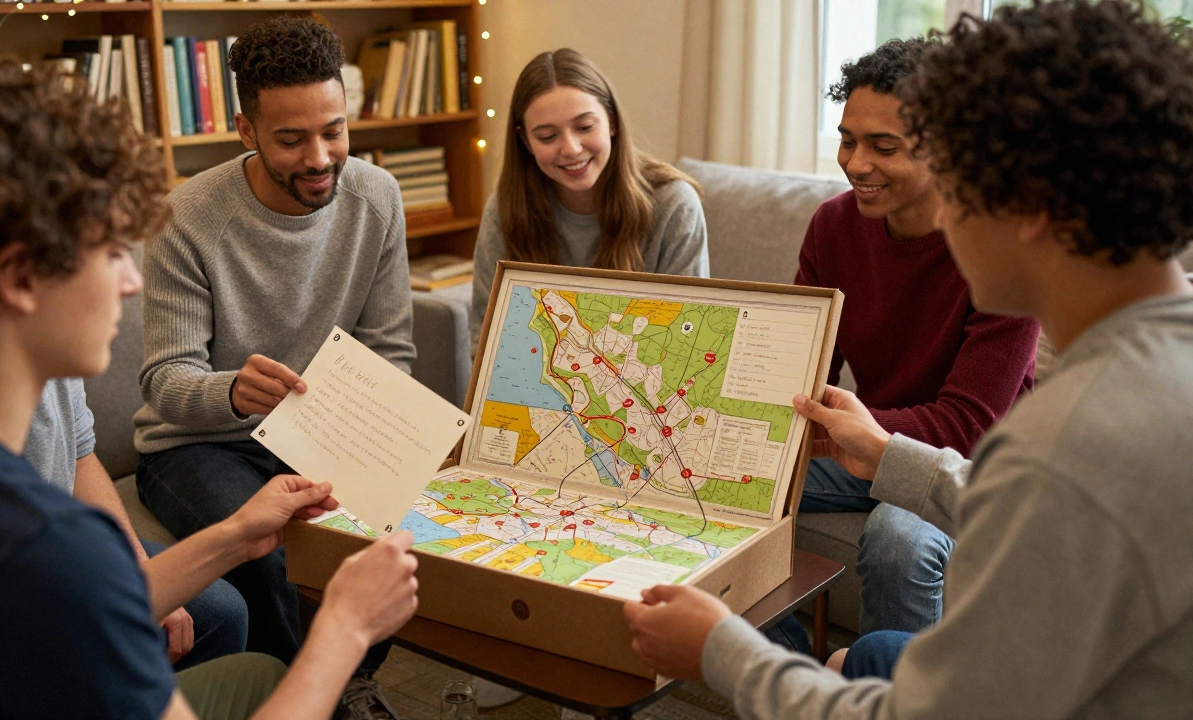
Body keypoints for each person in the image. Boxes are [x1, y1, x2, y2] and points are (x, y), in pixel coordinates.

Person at [622, 1, 1193, 716]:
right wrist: (890, 454)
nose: (945, 215)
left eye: (959, 180)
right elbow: (1024, 502)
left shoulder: (1071, 446)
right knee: (868, 654)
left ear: (1031, 204)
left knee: (874, 639)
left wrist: (722, 651)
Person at [0, 59, 421, 720]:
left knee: (259, 668)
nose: (130, 281)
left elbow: (98, 594)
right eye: (110, 250)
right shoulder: (39, 547)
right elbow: (72, 580)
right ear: (18, 277)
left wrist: (238, 533)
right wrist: (345, 629)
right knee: (271, 673)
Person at [132, 17, 415, 715]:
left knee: (396, 527)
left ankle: (348, 679)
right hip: (198, 444)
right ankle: (310, 696)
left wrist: (383, 445)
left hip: (322, 434)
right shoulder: (187, 216)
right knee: (275, 550)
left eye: (335, 130)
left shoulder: (378, 198)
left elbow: (392, 352)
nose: (320, 157)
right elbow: (164, 383)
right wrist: (230, 394)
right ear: (246, 130)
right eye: (291, 139)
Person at [793, 37, 1041, 637]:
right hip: (863, 447)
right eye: (848, 140)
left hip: (973, 473)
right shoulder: (832, 226)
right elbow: (805, 370)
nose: (855, 163)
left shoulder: (1001, 248)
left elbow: (966, 429)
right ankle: (798, 682)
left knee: (898, 537)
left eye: (884, 146)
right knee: (720, 483)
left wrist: (858, 433)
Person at [470, 48, 709, 348]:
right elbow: (485, 339)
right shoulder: (505, 208)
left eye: (584, 127)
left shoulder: (674, 204)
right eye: (547, 136)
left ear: (611, 121)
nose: (570, 148)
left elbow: (687, 341)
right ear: (526, 142)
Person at [24, 377, 249, 669]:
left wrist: (140, 567)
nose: (117, 328)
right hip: (35, 566)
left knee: (224, 613)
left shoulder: (59, 370)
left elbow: (80, 454)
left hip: (64, 542)